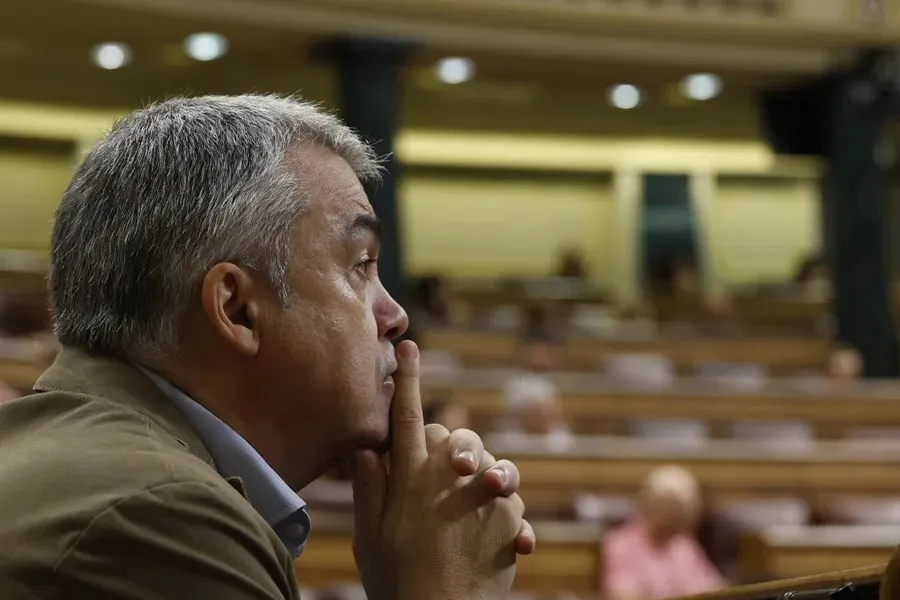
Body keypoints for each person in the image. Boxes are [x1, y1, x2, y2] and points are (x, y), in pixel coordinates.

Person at [0, 95, 535, 599]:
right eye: (361, 267)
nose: (395, 317)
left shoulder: (74, 452)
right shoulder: (159, 514)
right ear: (237, 310)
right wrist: (443, 587)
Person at [604, 465, 724, 600]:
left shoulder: (683, 544)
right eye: (671, 509)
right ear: (650, 505)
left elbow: (712, 589)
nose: (675, 518)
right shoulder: (620, 544)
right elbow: (625, 596)